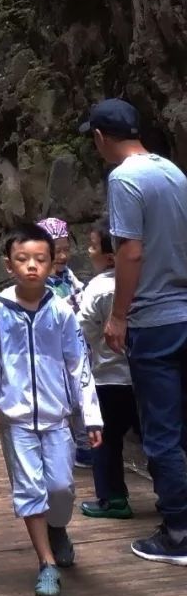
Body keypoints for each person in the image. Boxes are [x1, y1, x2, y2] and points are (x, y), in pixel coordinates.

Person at [82, 97, 187, 565]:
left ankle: (179, 531)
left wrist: (119, 315)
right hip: (184, 310)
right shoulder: (173, 172)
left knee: (160, 433)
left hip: (155, 318)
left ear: (102, 138)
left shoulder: (124, 179)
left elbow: (129, 252)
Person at [0, 224, 102, 596]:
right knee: (30, 488)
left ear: (52, 263)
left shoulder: (61, 311)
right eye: (23, 259)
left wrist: (90, 415)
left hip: (55, 415)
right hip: (16, 419)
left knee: (60, 487)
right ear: (8, 264)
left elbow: (79, 364)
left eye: (40, 259)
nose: (32, 266)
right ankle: (45, 562)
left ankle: (57, 527)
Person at [78, 217, 141, 520]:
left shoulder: (97, 289)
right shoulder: (144, 281)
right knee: (156, 438)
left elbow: (84, 331)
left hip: (107, 378)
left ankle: (113, 500)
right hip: (143, 377)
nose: (89, 251)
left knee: (104, 441)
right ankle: (173, 497)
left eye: (92, 246)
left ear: (110, 256)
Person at [36, 216, 84, 308]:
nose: (63, 256)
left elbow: (80, 289)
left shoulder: (67, 273)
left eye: (66, 249)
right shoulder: (37, 283)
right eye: (57, 251)